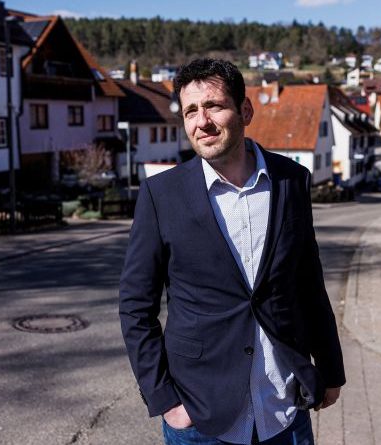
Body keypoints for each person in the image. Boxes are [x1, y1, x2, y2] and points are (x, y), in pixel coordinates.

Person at [119, 58, 345, 444]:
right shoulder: (162, 196)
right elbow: (135, 306)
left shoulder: (291, 180)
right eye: (191, 111)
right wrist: (165, 400)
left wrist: (329, 368)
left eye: (214, 106)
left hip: (284, 410)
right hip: (201, 415)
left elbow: (308, 282)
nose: (201, 121)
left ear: (245, 110)